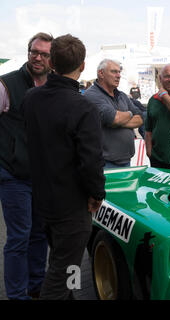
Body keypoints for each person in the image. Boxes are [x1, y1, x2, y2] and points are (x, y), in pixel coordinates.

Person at [22, 34, 105, 300]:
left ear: (52, 63)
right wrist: (97, 194)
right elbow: (90, 161)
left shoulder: (32, 98)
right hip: (70, 204)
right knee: (62, 271)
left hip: (43, 198)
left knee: (64, 261)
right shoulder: (82, 107)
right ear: (82, 66)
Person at [0, 32, 53, 300]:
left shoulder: (54, 87)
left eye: (44, 54)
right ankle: (17, 294)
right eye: (35, 51)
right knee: (19, 238)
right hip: (14, 176)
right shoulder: (6, 84)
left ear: (52, 59)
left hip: (43, 177)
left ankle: (36, 286)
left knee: (39, 234)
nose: (38, 57)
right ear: (28, 52)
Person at [84, 59, 143, 168]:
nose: (119, 75)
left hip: (126, 161)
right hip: (104, 163)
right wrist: (130, 114)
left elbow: (140, 118)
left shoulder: (122, 95)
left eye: (119, 72)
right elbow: (114, 118)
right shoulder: (91, 95)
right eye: (114, 72)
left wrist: (118, 120)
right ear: (101, 73)